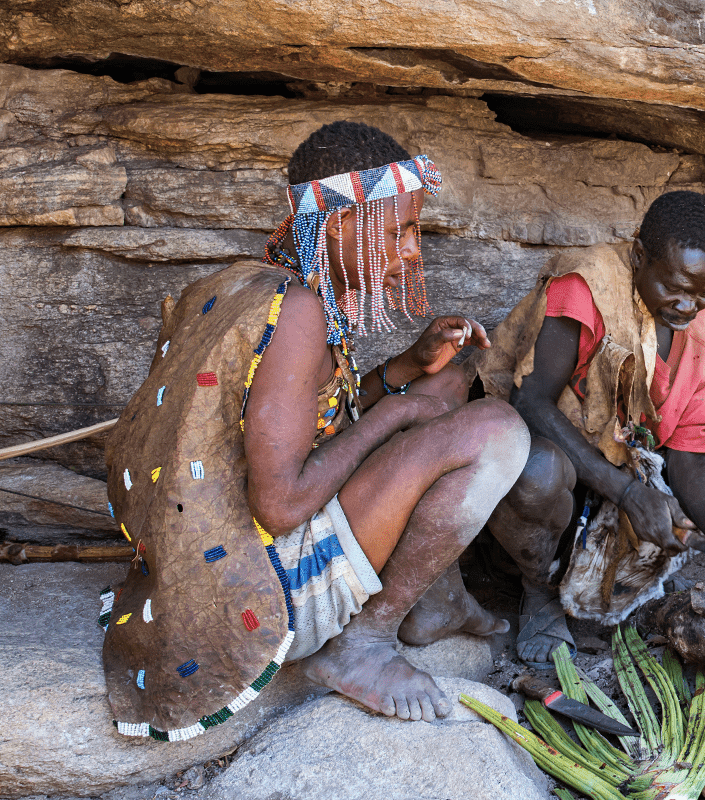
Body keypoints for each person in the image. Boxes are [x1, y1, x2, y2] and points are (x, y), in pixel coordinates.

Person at [102, 121, 529, 739]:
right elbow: (277, 507)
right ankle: (361, 643)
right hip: (262, 591)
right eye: (398, 230)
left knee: (446, 385)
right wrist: (393, 413)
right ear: (338, 225)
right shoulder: (298, 313)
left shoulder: (267, 283)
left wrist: (409, 368)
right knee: (497, 430)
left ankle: (432, 599)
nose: (411, 250)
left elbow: (315, 418)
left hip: (212, 559)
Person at [476, 190, 705, 663]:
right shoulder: (587, 288)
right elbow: (532, 401)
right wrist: (627, 494)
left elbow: (690, 454)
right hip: (560, 456)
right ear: (640, 256)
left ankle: (658, 543)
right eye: (676, 287)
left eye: (704, 293)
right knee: (538, 474)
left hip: (632, 458)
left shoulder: (701, 339)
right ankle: (538, 586)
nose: (688, 306)